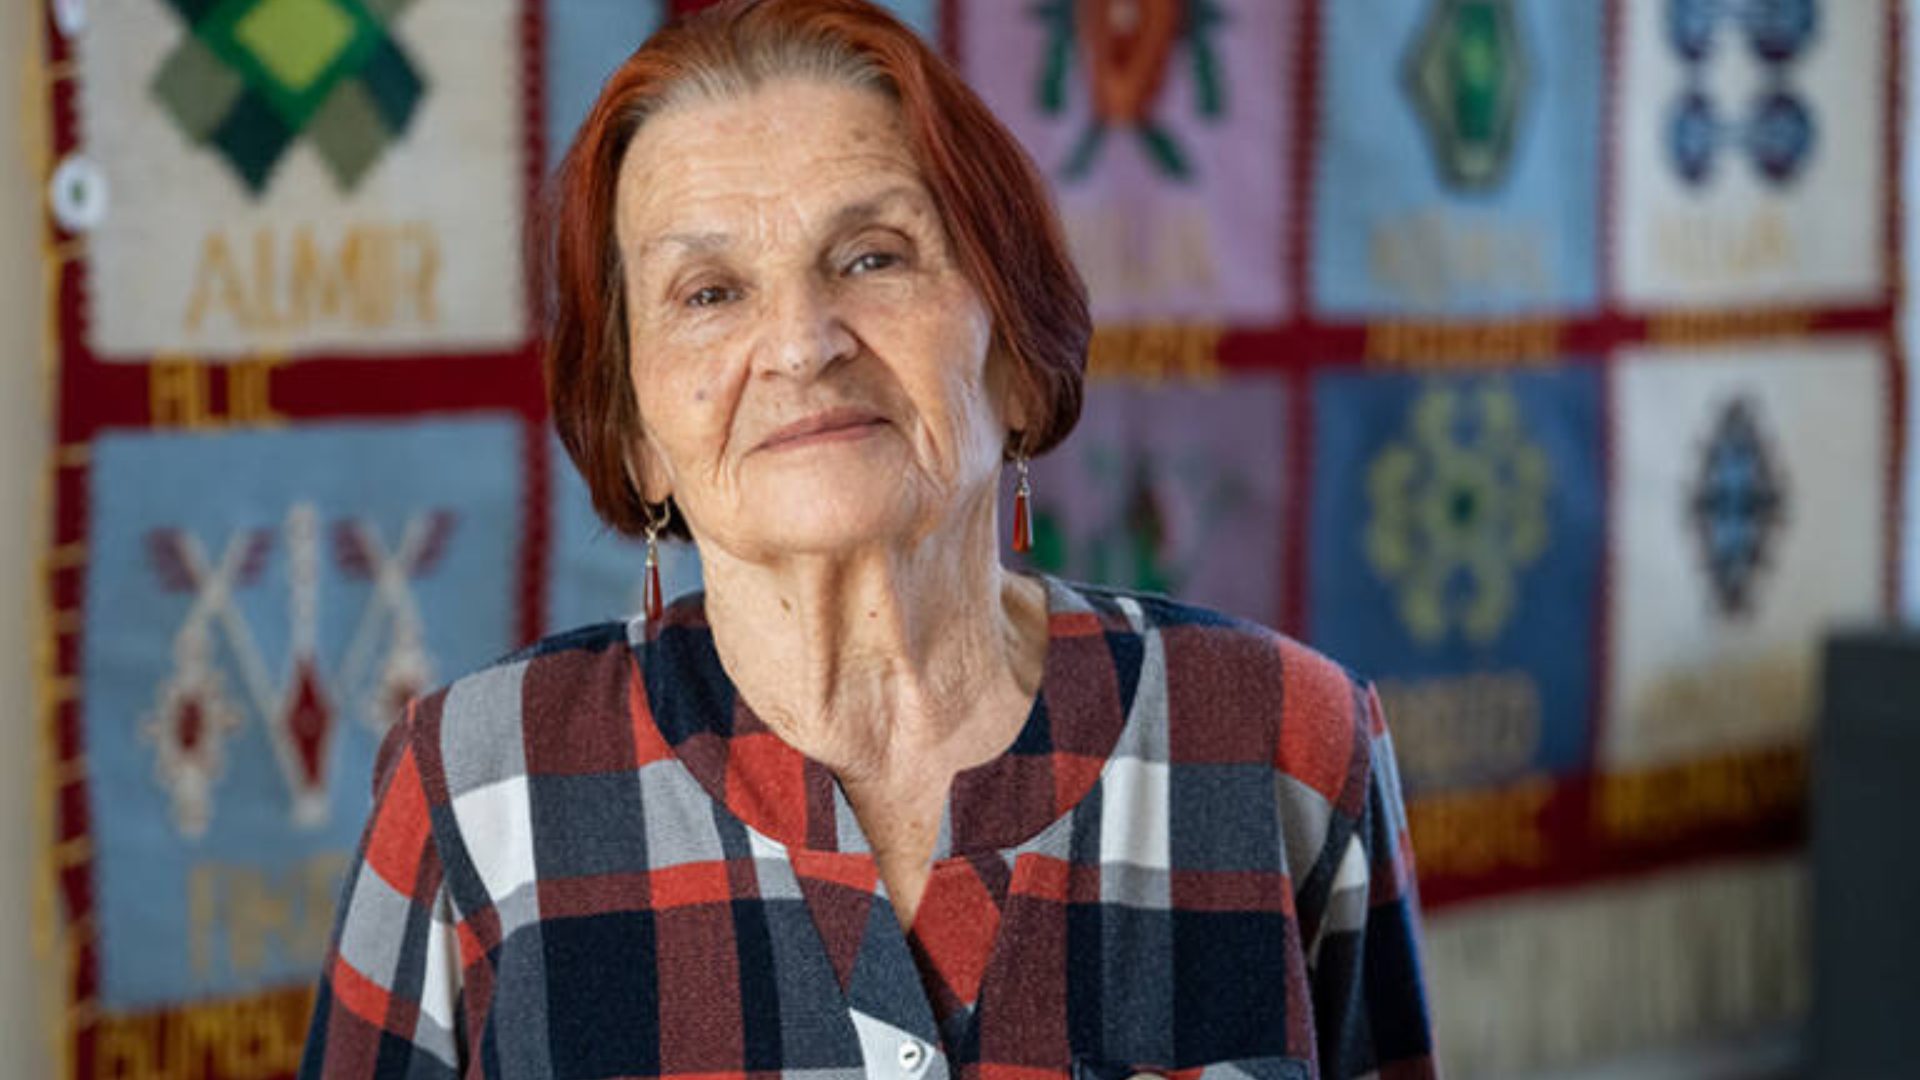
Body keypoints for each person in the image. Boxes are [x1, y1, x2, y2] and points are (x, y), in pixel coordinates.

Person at [300, 1, 1438, 1076]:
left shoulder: (1284, 741)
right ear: (636, 433)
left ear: (1016, 351)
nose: (800, 344)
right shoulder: (474, 788)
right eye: (707, 294)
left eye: (873, 258)